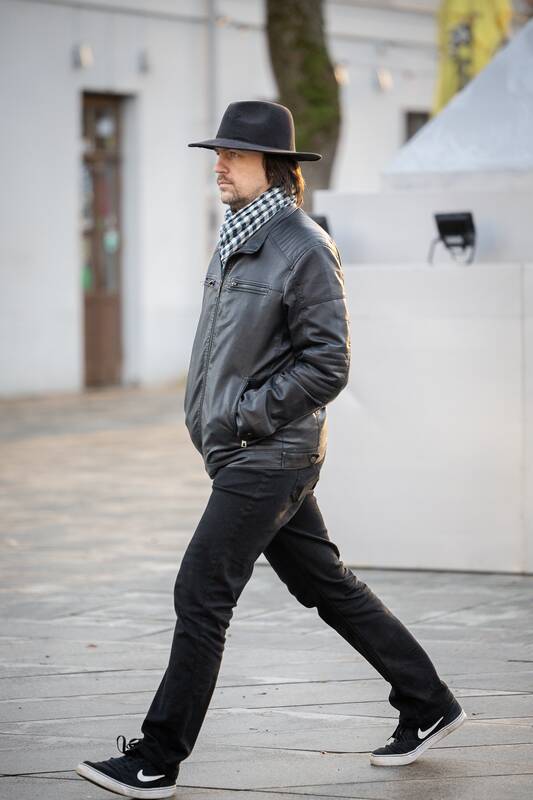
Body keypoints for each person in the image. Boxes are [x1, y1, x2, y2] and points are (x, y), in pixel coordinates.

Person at [76, 100, 466, 799]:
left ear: (275, 166)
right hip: (248, 451)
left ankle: (157, 758)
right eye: (217, 154)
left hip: (269, 453)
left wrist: (245, 415)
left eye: (234, 154)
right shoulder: (240, 237)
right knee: (324, 584)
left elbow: (328, 363)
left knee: (202, 590)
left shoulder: (302, 246)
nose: (220, 165)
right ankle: (427, 701)